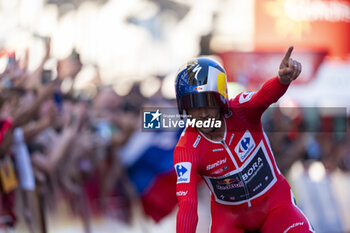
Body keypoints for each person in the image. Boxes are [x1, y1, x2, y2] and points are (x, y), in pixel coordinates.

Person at [173, 47, 315, 233]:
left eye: (208, 102)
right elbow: (187, 205)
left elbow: (264, 96)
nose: (203, 113)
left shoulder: (242, 111)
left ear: (221, 100)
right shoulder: (186, 148)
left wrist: (282, 80)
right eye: (193, 105)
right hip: (230, 221)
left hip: (275, 207)